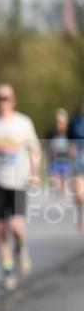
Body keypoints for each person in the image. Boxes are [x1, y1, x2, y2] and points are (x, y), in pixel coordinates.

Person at [0, 84, 42, 290]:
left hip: (18, 180)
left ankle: (20, 248)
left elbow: (35, 149)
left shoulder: (23, 123)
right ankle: (8, 269)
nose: (2, 102)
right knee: (1, 228)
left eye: (6, 98)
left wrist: (35, 172)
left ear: (14, 100)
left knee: (16, 226)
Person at [46, 108, 72, 195]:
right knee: (55, 181)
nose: (59, 125)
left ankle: (61, 196)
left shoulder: (69, 134)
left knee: (63, 181)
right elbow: (48, 147)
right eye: (57, 122)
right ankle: (56, 195)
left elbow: (72, 147)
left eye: (61, 123)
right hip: (54, 161)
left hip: (65, 161)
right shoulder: (51, 134)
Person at [70, 99, 84, 233]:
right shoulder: (75, 122)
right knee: (79, 192)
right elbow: (70, 139)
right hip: (79, 158)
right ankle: (81, 216)